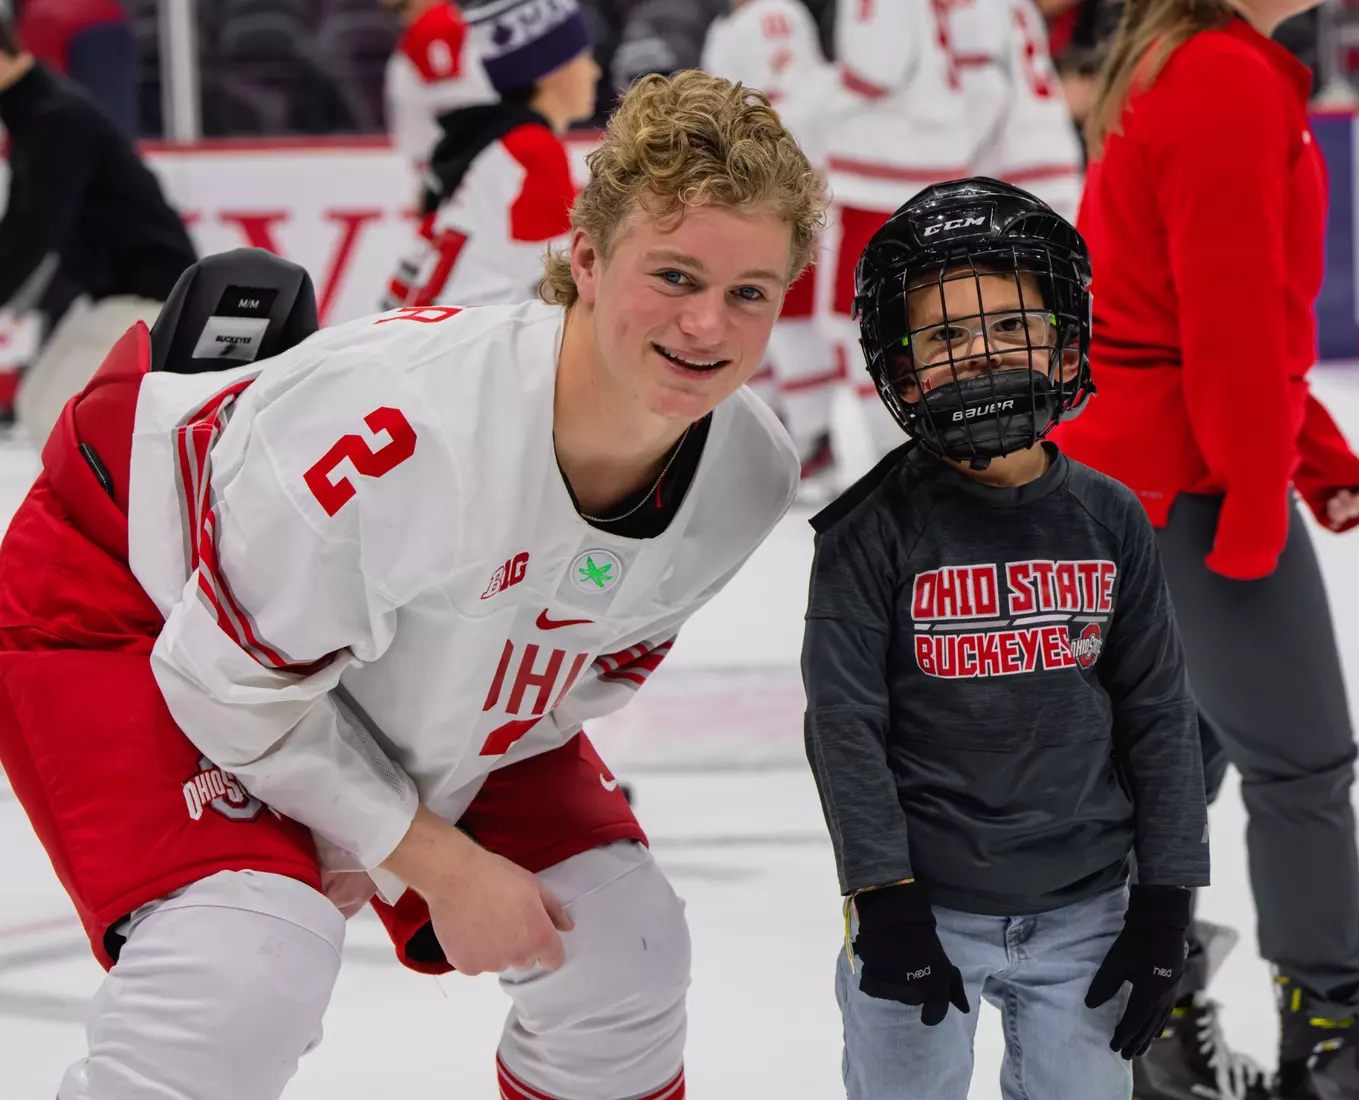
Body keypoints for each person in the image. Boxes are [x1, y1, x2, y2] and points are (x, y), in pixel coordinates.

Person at [0, 69, 823, 1099]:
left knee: (624, 946)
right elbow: (224, 681)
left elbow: (565, 676)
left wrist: (391, 831)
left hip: (364, 651)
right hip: (137, 591)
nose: (709, 325)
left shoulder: (749, 476)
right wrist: (423, 853)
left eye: (749, 291)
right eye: (674, 276)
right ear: (586, 261)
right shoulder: (407, 426)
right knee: (245, 960)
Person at [802, 177, 1209, 1100]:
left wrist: (1164, 905)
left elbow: (1156, 715)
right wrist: (884, 899)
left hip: (1091, 920)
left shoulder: (1110, 519)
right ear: (899, 368)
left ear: (1064, 338)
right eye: (945, 335)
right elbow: (844, 728)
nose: (981, 354)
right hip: (921, 911)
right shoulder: (866, 533)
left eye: (1009, 327)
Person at [1052, 0, 1359, 1094]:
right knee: (1303, 763)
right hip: (1189, 480)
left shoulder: (1189, 64)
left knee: (1180, 764)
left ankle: (1152, 1024)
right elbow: (1224, 323)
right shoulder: (1224, 77)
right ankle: (1333, 1038)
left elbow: (1193, 319)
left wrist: (1313, 450)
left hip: (1147, 471)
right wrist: (1254, 498)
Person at [0, 16, 196, 448]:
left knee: (60, 413)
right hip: (109, 296)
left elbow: (37, 232)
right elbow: (24, 229)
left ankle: (101, 512)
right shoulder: (38, 115)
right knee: (39, 403)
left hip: (148, 297)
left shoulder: (56, 118)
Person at [817, 0, 976, 464]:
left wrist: (807, 98)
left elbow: (875, 67)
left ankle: (901, 466)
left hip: (880, 178)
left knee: (862, 324)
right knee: (932, 320)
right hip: (933, 169)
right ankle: (938, 453)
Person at [701, 0, 841, 493]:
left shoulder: (733, 29)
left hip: (760, 177)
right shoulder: (793, 12)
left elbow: (721, 113)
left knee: (763, 313)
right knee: (786, 316)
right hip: (812, 167)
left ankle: (800, 441)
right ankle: (804, 438)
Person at [382, 0, 600, 310]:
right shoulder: (533, 150)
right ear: (551, 72)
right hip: (461, 340)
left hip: (420, 331)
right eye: (584, 57)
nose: (594, 71)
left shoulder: (482, 143)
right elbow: (565, 287)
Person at [949, 0, 1084, 221]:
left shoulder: (975, 7)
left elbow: (986, 93)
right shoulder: (1019, 5)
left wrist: (952, 163)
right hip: (1056, 161)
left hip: (1014, 171)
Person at [380, 0, 494, 188]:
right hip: (451, 168)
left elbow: (454, 101)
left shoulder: (435, 27)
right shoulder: (431, 23)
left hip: (453, 172)